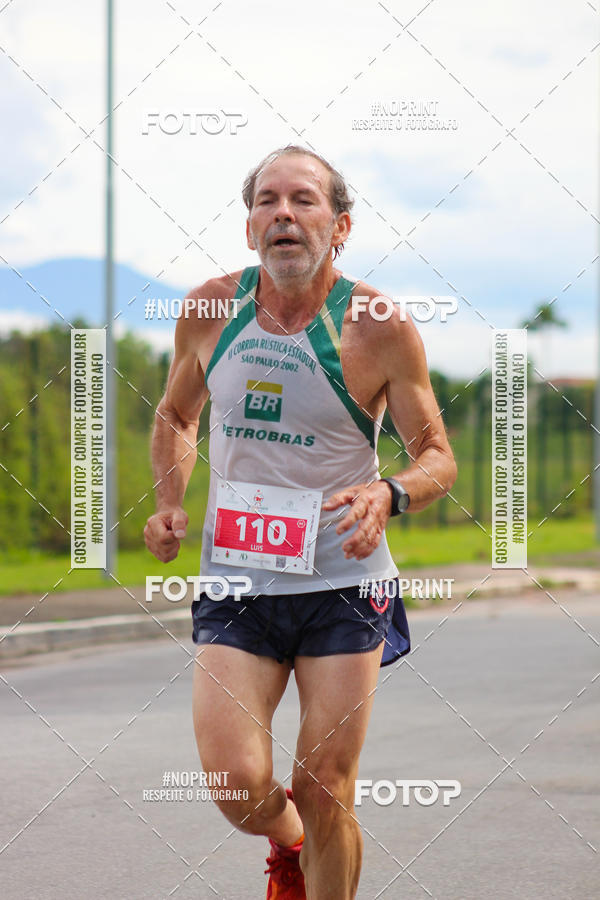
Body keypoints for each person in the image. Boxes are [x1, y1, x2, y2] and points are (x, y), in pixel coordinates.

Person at [144, 145, 457, 899]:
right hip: (238, 582)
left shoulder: (378, 325)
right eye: (268, 201)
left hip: (345, 585)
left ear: (340, 227)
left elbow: (438, 457)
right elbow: (177, 415)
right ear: (250, 227)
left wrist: (389, 493)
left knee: (324, 788)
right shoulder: (210, 309)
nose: (283, 213)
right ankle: (289, 846)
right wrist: (168, 501)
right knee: (234, 784)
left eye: (304, 200)